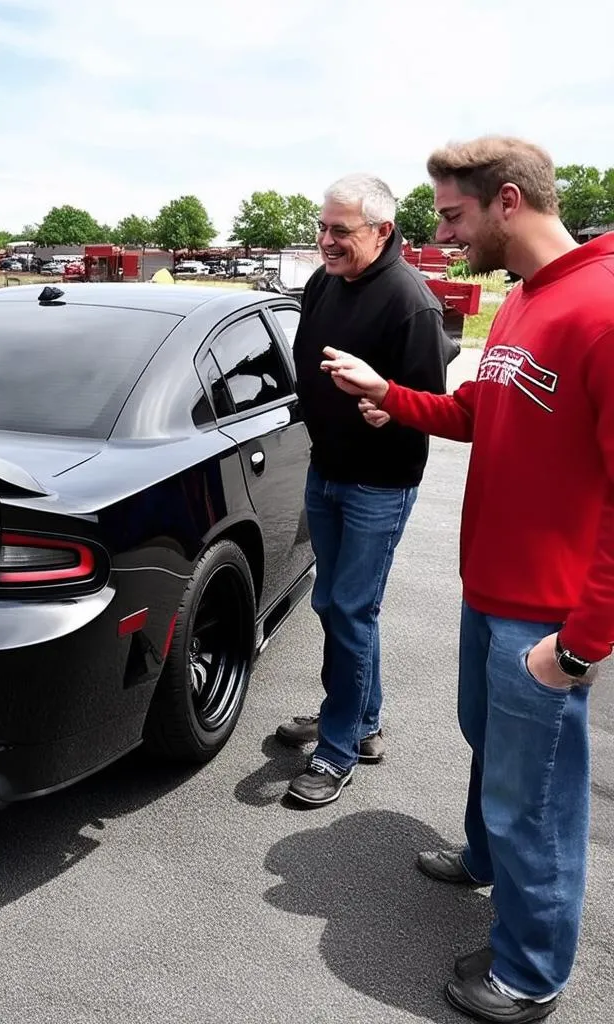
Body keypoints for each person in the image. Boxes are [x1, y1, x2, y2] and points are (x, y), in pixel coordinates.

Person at [320, 135, 614, 1023]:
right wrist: (391, 397)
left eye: (451, 216)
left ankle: (530, 974)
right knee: (487, 744)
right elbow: (479, 415)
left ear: (509, 201)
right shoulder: (523, 300)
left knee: (540, 799)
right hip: (489, 586)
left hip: (547, 616)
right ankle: (484, 862)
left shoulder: (601, 308)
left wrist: (581, 646)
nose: (441, 237)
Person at [275, 172, 458, 808]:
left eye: (340, 231)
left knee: (349, 608)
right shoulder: (323, 283)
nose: (325, 240)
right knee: (339, 604)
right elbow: (304, 363)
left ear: (381, 232)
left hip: (380, 484)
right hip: (327, 470)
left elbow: (433, 400)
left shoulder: (411, 301)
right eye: (321, 228)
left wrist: (392, 407)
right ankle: (362, 720)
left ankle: (338, 747)